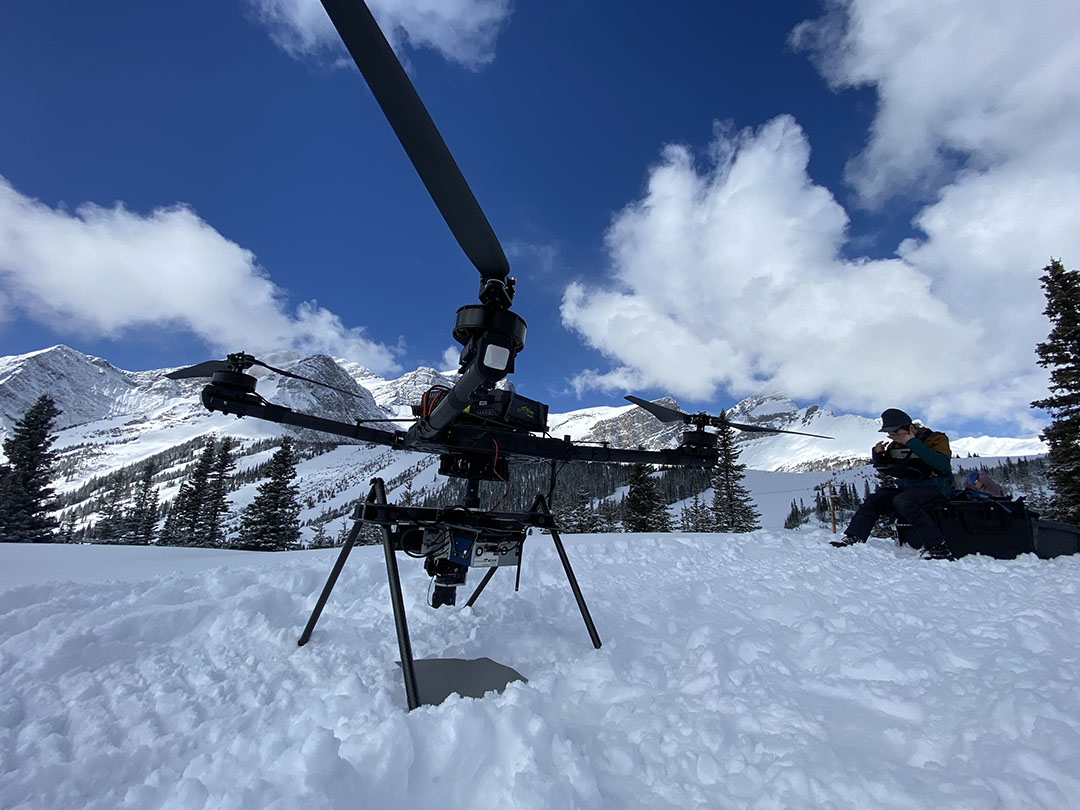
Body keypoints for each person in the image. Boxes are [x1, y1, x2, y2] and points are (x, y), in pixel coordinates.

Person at [830, 408, 953, 559]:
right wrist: (878, 454)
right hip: (907, 487)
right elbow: (888, 468)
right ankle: (854, 538)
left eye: (895, 432)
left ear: (910, 428)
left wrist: (912, 442)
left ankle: (937, 547)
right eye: (890, 434)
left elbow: (942, 464)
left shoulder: (936, 439)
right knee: (876, 499)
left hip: (935, 488)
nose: (893, 437)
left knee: (904, 501)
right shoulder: (895, 445)